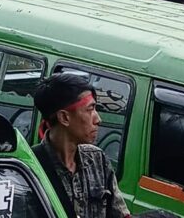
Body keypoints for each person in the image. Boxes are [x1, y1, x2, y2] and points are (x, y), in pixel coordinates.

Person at [32, 73, 130, 218]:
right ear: (64, 117)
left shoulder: (97, 160)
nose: (98, 119)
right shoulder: (31, 169)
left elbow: (120, 214)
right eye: (90, 109)